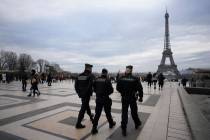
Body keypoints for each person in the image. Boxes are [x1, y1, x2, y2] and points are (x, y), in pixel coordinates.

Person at [116, 65, 143, 136]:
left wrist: (123, 92)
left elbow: (118, 88)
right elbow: (140, 88)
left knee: (124, 113)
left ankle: (124, 128)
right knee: (134, 112)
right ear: (131, 70)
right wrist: (140, 97)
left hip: (125, 98)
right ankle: (137, 123)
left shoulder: (122, 78)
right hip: (132, 98)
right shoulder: (135, 78)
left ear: (126, 70)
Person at [91, 68, 116, 135]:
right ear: (106, 73)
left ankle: (94, 128)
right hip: (105, 99)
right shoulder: (107, 80)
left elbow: (93, 88)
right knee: (108, 112)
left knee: (97, 114)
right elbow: (111, 90)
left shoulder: (97, 79)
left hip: (98, 98)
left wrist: (98, 92)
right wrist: (106, 93)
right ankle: (111, 123)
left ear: (101, 73)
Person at [75, 63, 95, 129]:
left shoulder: (79, 75)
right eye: (91, 68)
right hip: (86, 95)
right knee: (83, 108)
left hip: (81, 94)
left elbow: (76, 86)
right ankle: (78, 123)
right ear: (89, 68)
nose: (91, 69)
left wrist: (79, 93)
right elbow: (90, 86)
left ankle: (91, 117)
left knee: (86, 105)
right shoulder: (90, 75)